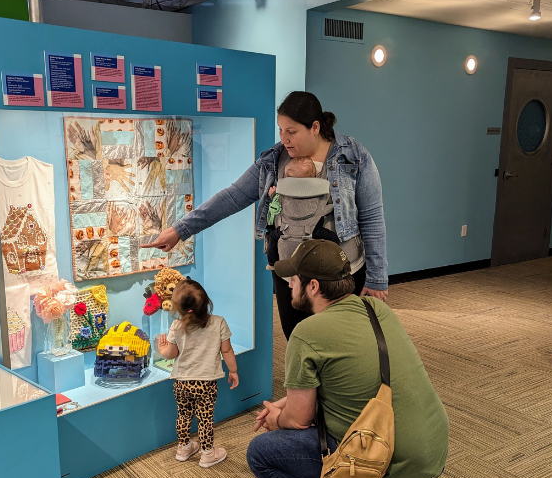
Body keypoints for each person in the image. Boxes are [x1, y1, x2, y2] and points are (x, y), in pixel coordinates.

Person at [247, 240, 448, 478]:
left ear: (313, 286)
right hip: (429, 455)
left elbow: (299, 420)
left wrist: (276, 417)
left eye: (294, 279)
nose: (289, 285)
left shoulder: (307, 332)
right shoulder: (376, 308)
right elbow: (358, 378)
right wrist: (289, 400)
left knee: (261, 453)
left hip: (387, 465)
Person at [148, 91, 388, 340]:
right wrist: (181, 229)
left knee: (341, 344)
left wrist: (378, 278)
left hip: (340, 277)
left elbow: (372, 218)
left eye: (291, 131)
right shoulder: (273, 161)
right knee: (298, 341)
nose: (284, 139)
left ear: (315, 127)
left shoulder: (353, 156)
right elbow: (233, 196)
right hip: (290, 276)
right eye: (281, 130)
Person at [157, 279, 240, 468]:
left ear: (178, 307)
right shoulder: (218, 322)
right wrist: (233, 371)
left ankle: (183, 448)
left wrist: (162, 349)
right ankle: (208, 454)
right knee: (205, 418)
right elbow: (227, 351)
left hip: (182, 382)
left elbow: (171, 354)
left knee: (183, 415)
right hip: (206, 383)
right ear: (206, 301)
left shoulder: (176, 327)